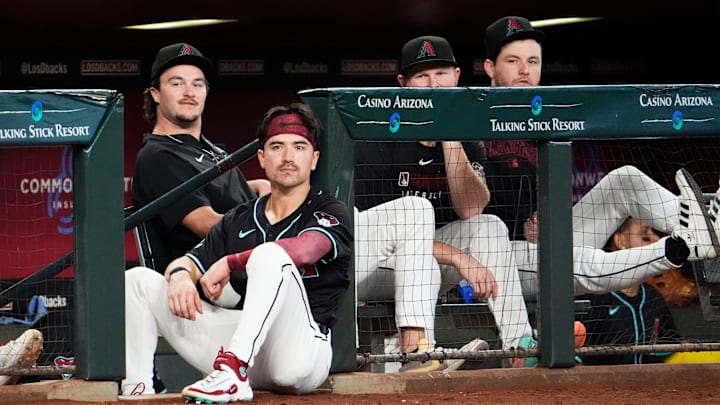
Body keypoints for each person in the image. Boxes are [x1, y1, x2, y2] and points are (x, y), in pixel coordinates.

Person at [120, 103, 352, 401]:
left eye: (300, 147)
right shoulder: (239, 217)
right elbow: (190, 262)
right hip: (244, 343)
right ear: (262, 159)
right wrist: (179, 275)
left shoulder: (329, 209)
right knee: (137, 282)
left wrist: (233, 261)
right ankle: (137, 391)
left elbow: (307, 249)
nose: (288, 156)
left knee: (269, 256)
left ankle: (233, 371)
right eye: (277, 146)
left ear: (314, 159)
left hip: (299, 354)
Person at [480, 16, 720, 300]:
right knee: (580, 261)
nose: (524, 70)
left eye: (533, 62)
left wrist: (544, 223)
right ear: (490, 67)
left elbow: (550, 207)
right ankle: (681, 247)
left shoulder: (541, 122)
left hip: (543, 246)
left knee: (625, 179)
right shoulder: (472, 120)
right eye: (512, 61)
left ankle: (707, 228)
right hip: (495, 259)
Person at [355, 35, 535, 363]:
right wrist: (457, 256)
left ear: (456, 76)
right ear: (403, 85)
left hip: (432, 255)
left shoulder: (465, 133)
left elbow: (470, 208)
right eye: (421, 76)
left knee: (489, 226)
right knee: (424, 263)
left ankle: (521, 347)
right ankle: (423, 358)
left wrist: (449, 136)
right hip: (377, 263)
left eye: (440, 74)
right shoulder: (376, 134)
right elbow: (374, 232)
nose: (433, 85)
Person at [132, 42, 270, 269]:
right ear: (155, 93)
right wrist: (270, 217)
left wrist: (260, 187)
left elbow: (221, 192)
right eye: (177, 83)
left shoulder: (208, 149)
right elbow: (208, 224)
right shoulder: (158, 156)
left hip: (247, 265)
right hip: (208, 279)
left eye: (197, 84)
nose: (189, 92)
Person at [578, 218, 682, 365]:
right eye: (645, 235)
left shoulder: (653, 298)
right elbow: (574, 363)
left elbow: (670, 346)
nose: (656, 239)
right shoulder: (592, 298)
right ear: (621, 242)